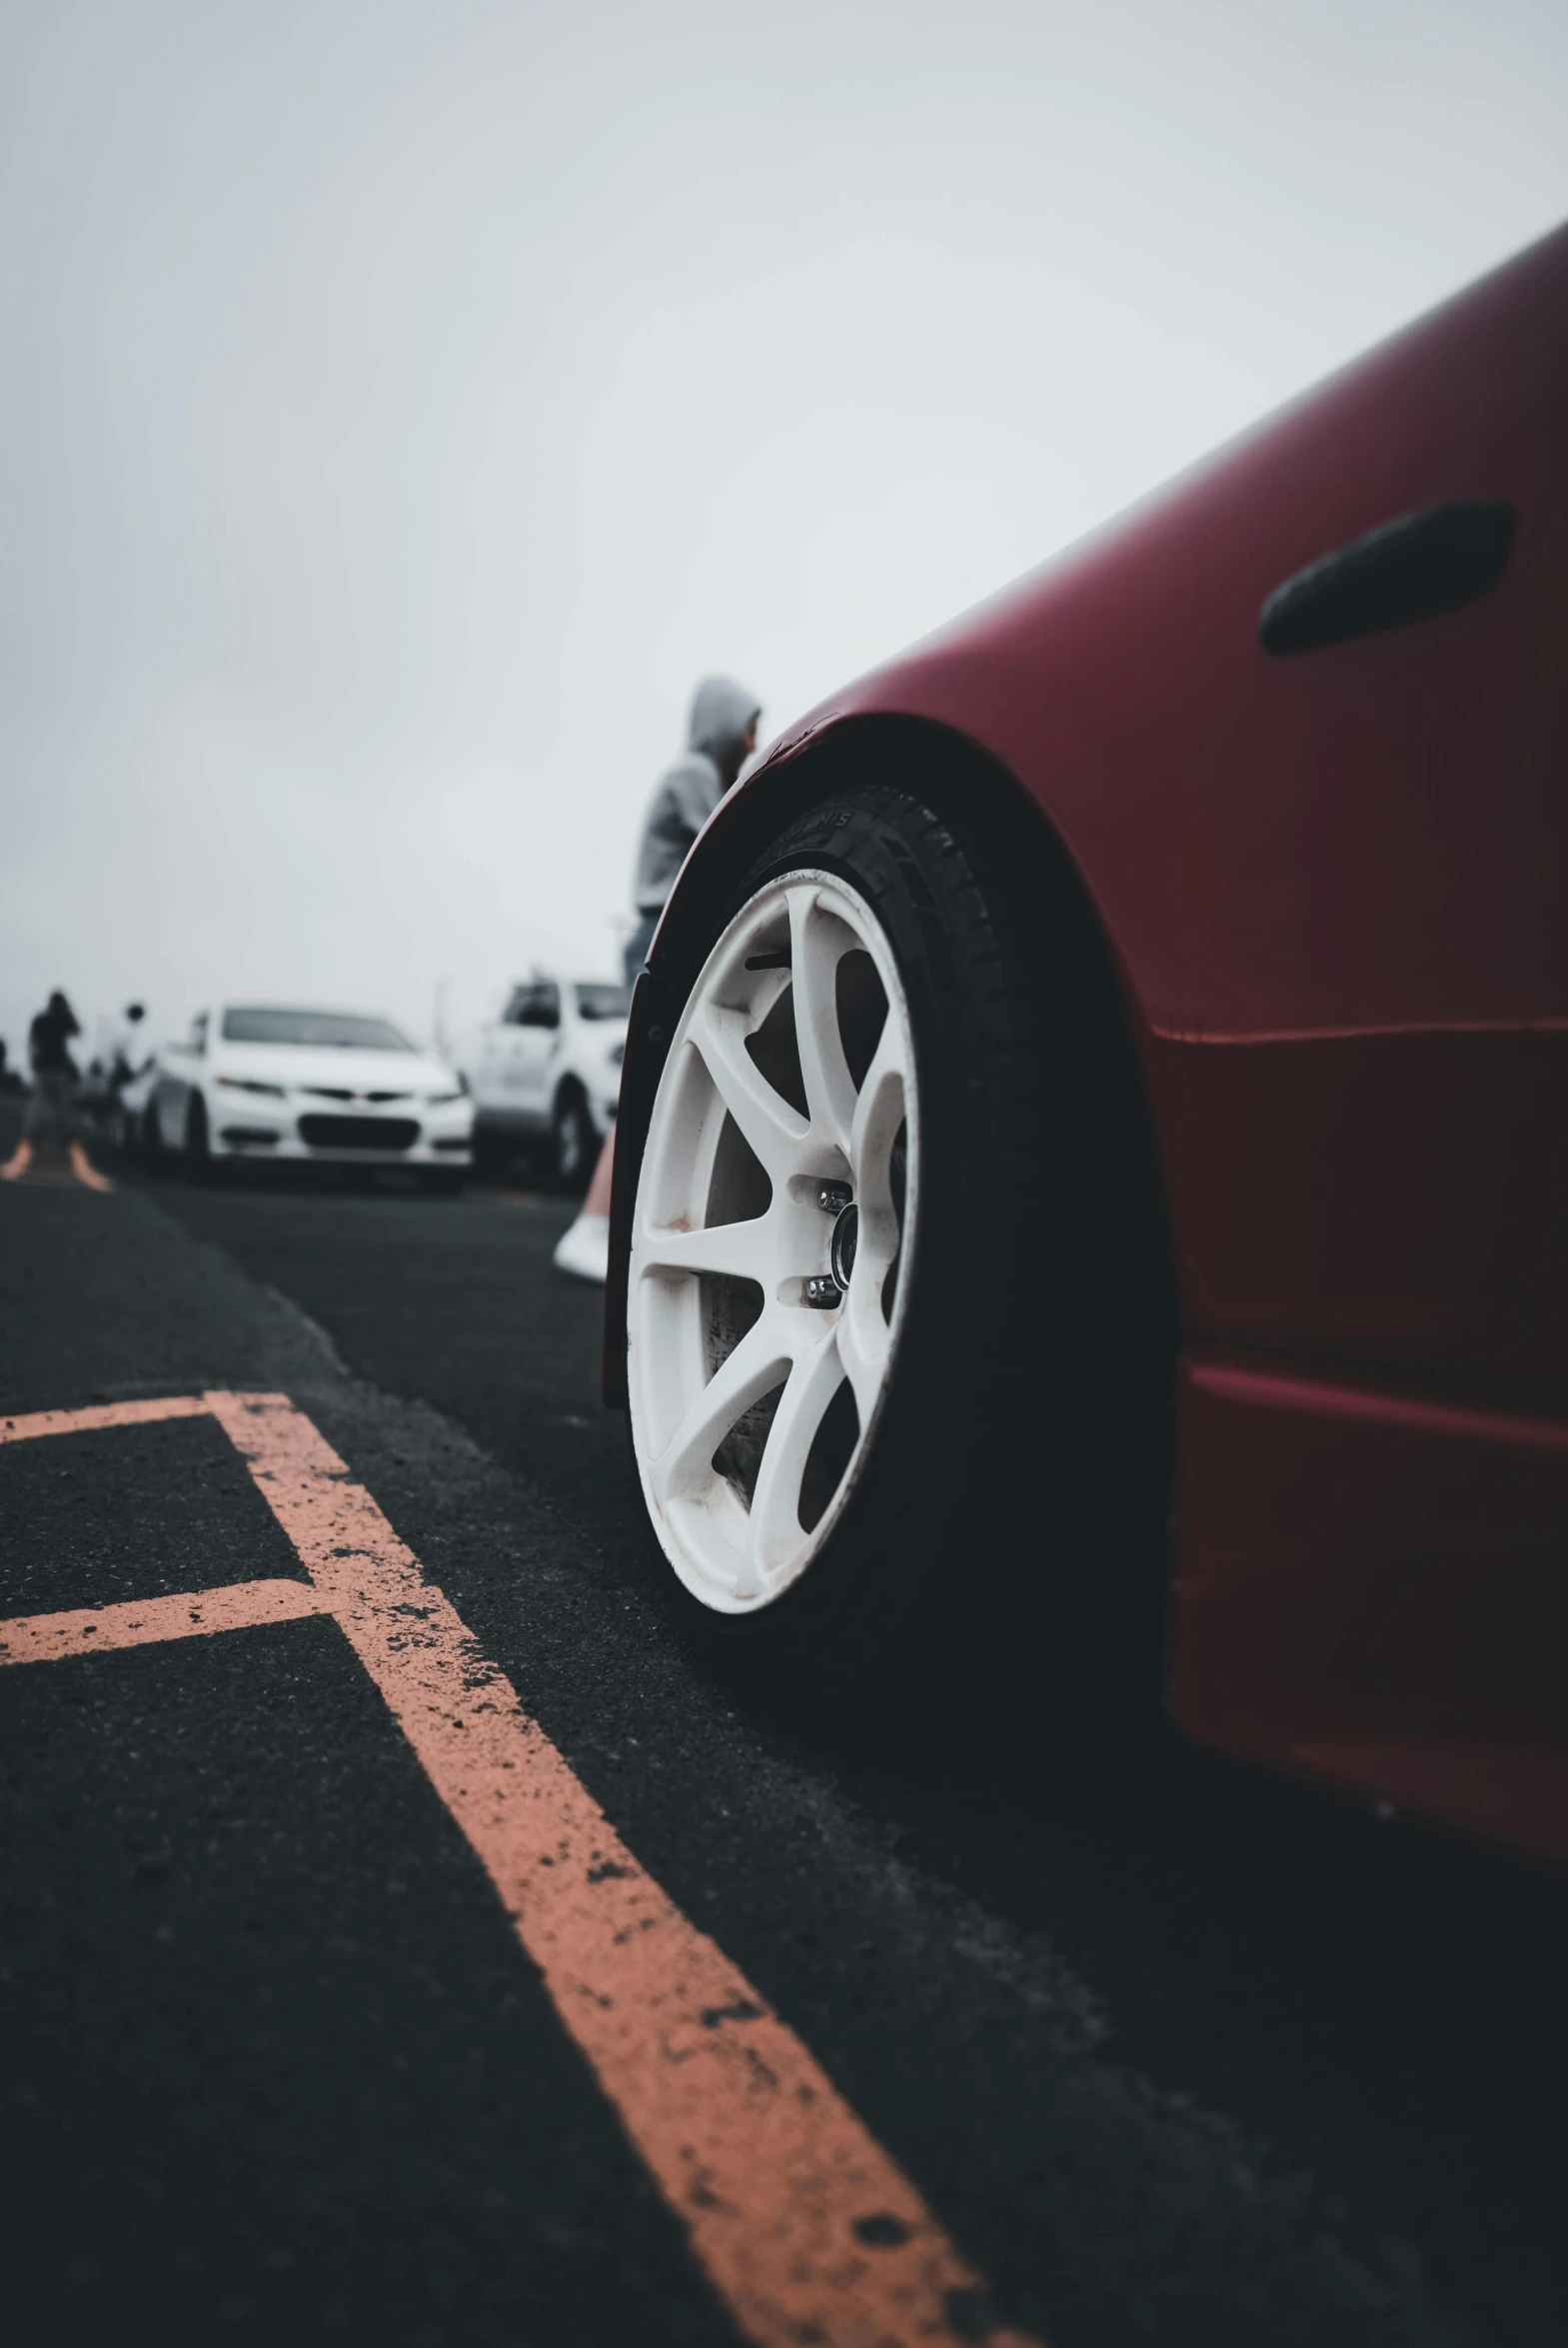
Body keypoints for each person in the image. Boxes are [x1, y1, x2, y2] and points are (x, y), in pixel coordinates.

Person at [554, 675, 762, 1283]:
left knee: (667, 1084)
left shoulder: (691, 776)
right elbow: (729, 844)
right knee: (654, 1088)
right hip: (662, 940)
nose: (754, 740)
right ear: (722, 723)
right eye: (749, 725)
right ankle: (593, 1227)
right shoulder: (694, 777)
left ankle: (622, 1229)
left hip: (657, 939)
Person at [0, 991, 113, 1190]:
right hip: (60, 1070)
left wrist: (33, 1062)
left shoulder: (41, 1019)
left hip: (43, 1069)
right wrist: (70, 1012)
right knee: (65, 1114)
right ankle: (80, 1165)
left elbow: (31, 1042)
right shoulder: (63, 1018)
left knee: (37, 1110)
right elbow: (78, 1032)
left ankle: (21, 1160)